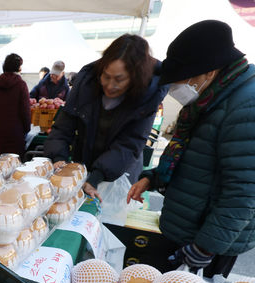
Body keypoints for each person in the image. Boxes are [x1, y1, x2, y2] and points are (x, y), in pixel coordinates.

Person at [127, 20, 255, 281]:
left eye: (180, 80)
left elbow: (247, 190)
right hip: (188, 227)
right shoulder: (212, 98)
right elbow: (196, 157)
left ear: (209, 72)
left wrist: (205, 247)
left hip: (209, 242)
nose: (175, 89)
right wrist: (153, 177)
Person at [44, 34, 168, 200]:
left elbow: (129, 144)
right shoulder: (86, 82)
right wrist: (59, 158)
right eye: (106, 76)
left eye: (119, 79)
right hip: (83, 165)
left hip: (119, 172)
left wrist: (96, 177)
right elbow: (63, 126)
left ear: (135, 77)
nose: (110, 85)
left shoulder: (147, 95)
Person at [0, 54, 31, 156]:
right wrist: (27, 128)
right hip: (15, 132)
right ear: (18, 67)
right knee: (14, 165)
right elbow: (25, 110)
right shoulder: (21, 85)